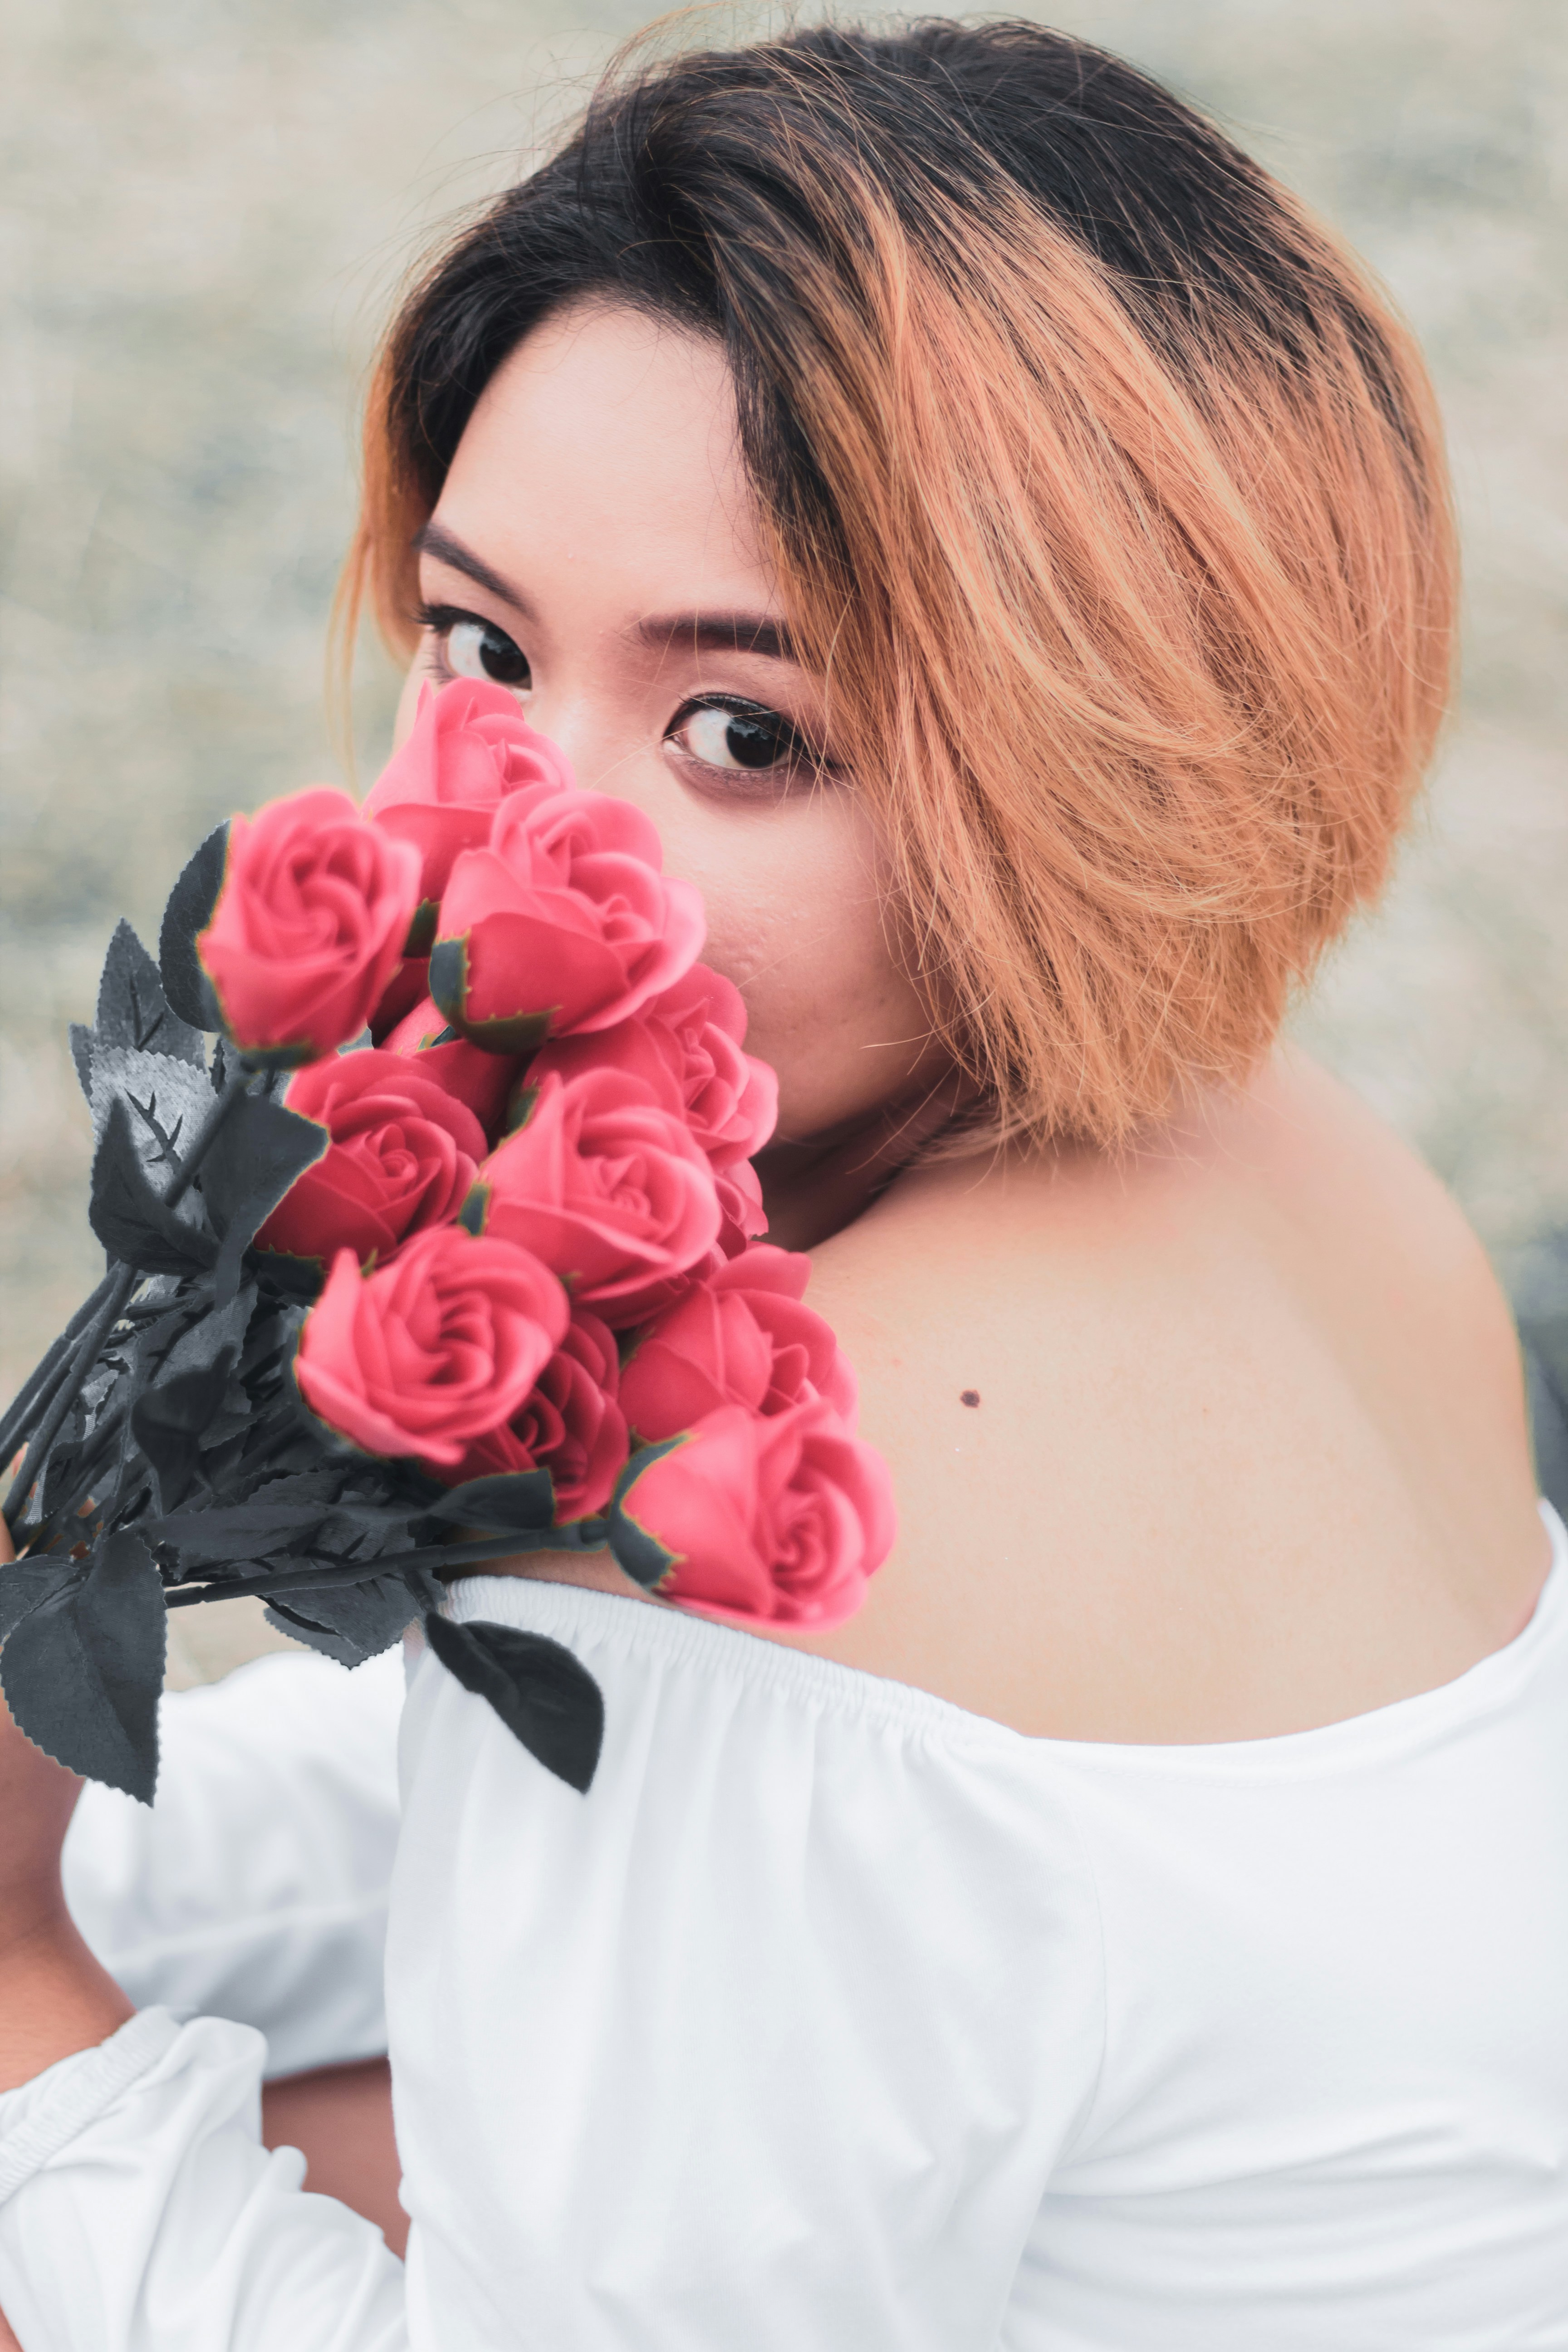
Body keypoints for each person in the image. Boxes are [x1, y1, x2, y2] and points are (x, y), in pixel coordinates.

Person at [1, 19, 1564, 2346]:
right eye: (482, 647)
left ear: (1110, 745)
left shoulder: (797, 1504)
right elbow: (492, 1807)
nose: (523, 833)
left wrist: (20, 1984)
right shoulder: (1301, 1158)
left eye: (748, 734)